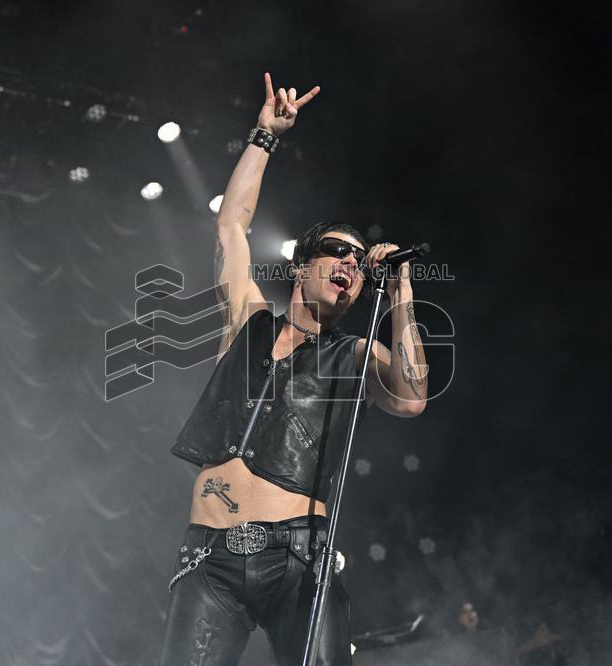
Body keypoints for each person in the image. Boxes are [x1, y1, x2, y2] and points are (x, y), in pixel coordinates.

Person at [158, 72, 430, 665]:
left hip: (300, 559)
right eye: (336, 251)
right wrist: (265, 136)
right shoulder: (248, 322)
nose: (349, 264)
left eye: (357, 261)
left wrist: (401, 291)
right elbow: (231, 226)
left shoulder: (356, 355)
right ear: (302, 267)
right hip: (210, 559)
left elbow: (412, 397)